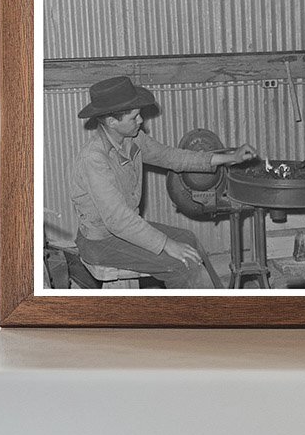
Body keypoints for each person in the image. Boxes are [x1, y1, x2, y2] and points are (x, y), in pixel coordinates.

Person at [71, 75, 257, 289]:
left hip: (122, 230)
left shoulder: (132, 139)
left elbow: (171, 157)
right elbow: (118, 220)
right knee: (183, 264)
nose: (141, 121)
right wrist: (166, 244)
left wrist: (230, 157)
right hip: (101, 241)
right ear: (112, 122)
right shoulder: (94, 159)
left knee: (188, 239)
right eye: (134, 117)